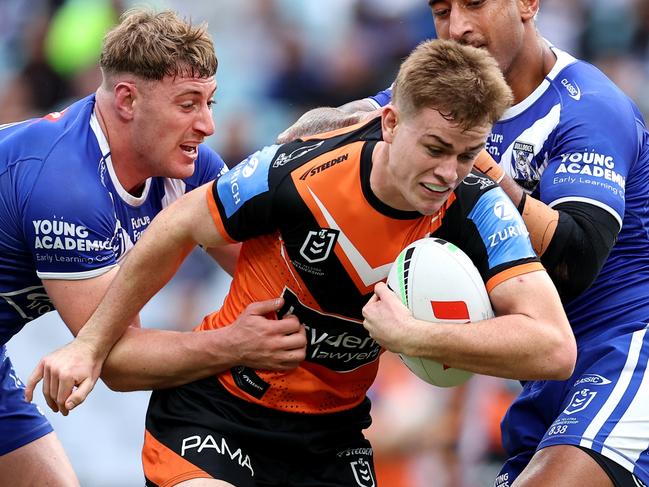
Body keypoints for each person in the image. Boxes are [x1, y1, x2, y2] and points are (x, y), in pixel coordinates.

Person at [58, 39, 576, 486]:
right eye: (435, 148)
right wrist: (90, 344)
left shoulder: (479, 206)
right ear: (391, 124)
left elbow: (553, 347)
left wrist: (416, 336)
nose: (448, 172)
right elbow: (178, 225)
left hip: (331, 437)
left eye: (467, 155)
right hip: (219, 414)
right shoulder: (303, 167)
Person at [279, 1, 649, 486]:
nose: (457, 28)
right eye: (441, 11)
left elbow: (575, 259)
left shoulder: (587, 109)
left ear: (528, 4)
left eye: (474, 4)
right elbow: (329, 128)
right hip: (548, 378)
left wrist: (480, 167)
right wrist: (278, 160)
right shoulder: (448, 102)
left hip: (627, 351)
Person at [1, 8, 306, 487]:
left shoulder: (190, 166)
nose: (207, 125)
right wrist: (235, 344)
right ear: (127, 99)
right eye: (188, 104)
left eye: (210, 102)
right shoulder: (68, 187)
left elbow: (271, 271)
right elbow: (116, 361)